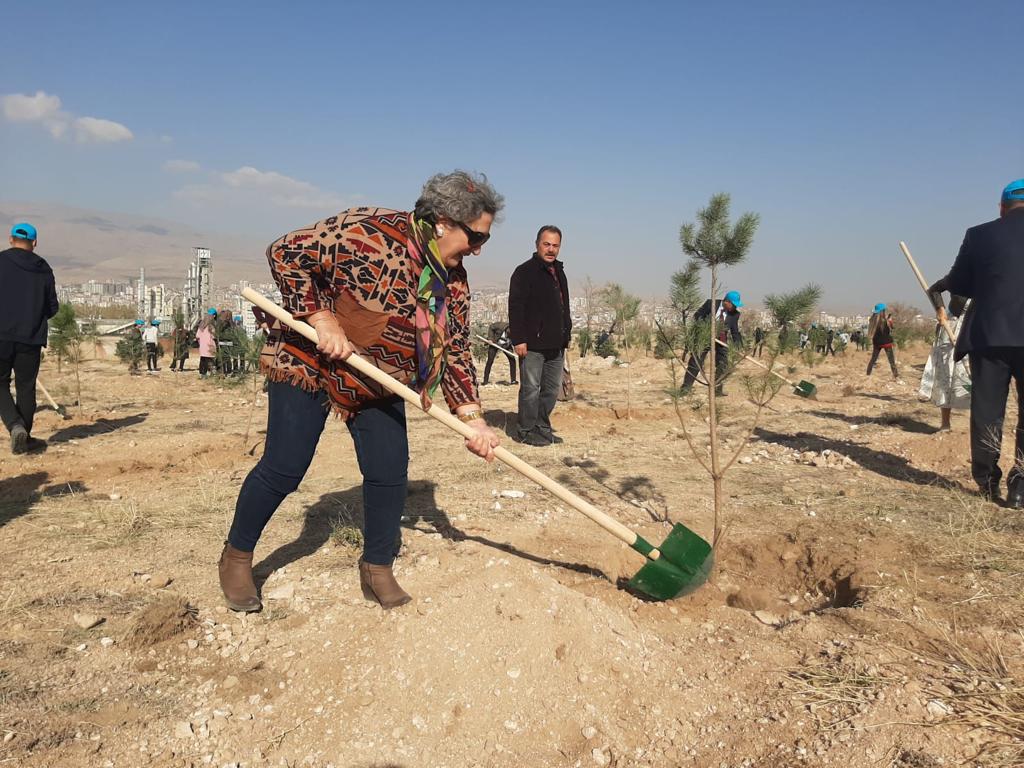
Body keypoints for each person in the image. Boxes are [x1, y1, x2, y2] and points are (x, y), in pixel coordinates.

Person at [220, 171, 504, 613]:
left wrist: (474, 420)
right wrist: (322, 319)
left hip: (379, 377)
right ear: (445, 221)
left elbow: (457, 349)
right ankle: (237, 556)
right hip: (309, 362)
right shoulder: (364, 231)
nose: (479, 248)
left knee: (390, 471)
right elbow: (285, 252)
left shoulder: (454, 282)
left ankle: (377, 567)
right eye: (476, 236)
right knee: (284, 467)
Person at [941, 178, 1024, 507]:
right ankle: (1021, 486)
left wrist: (945, 283)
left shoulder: (979, 234)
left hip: (989, 335)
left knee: (988, 412)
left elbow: (961, 283)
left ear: (1001, 208)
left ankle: (988, 482)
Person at [508, 226, 571, 446]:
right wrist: (519, 339)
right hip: (532, 344)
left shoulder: (558, 271)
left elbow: (564, 306)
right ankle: (525, 430)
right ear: (537, 244)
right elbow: (516, 307)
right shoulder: (524, 271)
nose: (551, 249)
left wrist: (567, 333)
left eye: (555, 245)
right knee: (530, 389)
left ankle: (542, 427)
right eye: (547, 244)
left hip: (556, 344)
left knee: (551, 390)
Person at [0, 223, 59, 454]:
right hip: (31, 337)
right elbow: (52, 308)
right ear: (34, 243)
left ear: (10, 239)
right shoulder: (43, 269)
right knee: (26, 387)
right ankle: (24, 437)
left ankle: (15, 426)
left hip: (1, 336)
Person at [920, 285, 970, 432]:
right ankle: (945, 423)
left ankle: (979, 426)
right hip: (951, 330)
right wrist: (940, 310)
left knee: (976, 378)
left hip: (976, 328)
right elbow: (934, 290)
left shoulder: (988, 277)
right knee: (946, 376)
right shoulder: (958, 276)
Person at [680, 290, 743, 396]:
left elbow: (735, 331)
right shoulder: (711, 304)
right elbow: (697, 316)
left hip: (721, 341)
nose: (735, 307)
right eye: (734, 305)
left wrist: (738, 346)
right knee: (695, 362)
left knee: (723, 364)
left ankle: (717, 391)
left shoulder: (735, 314)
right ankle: (685, 388)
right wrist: (705, 329)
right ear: (727, 301)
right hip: (704, 337)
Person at [865, 303, 899, 378]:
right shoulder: (885, 321)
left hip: (876, 343)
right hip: (886, 343)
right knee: (891, 361)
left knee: (873, 359)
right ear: (883, 311)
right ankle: (896, 375)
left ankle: (868, 374)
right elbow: (890, 330)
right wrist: (890, 322)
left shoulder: (872, 321)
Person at [481, 321, 517, 385]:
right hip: (495, 343)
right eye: (507, 334)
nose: (507, 335)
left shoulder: (515, 332)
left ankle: (513, 381)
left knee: (512, 360)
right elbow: (491, 327)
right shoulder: (500, 325)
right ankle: (485, 381)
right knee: (490, 361)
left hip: (506, 345)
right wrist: (490, 339)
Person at [196, 310, 217, 377]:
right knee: (210, 360)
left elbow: (197, 336)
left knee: (203, 359)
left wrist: (200, 342)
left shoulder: (201, 325)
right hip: (210, 346)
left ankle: (202, 373)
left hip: (202, 346)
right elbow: (215, 336)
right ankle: (211, 373)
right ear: (213, 316)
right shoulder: (212, 326)